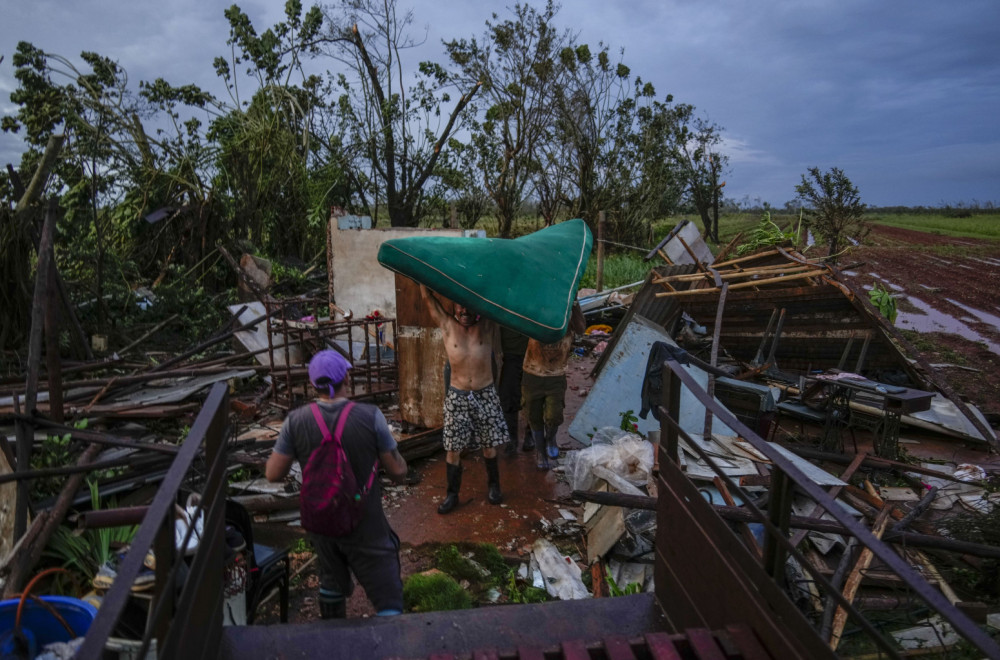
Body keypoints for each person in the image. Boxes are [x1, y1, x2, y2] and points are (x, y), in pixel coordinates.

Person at [265, 349, 408, 619]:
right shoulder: (370, 416)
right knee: (387, 592)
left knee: (330, 577)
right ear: (347, 378)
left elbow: (273, 474)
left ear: (312, 384)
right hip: (365, 523)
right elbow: (398, 471)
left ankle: (333, 637)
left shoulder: (295, 421)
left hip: (322, 524)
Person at [420, 284, 507, 514]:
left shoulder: (487, 325)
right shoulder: (447, 325)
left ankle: (494, 487)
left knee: (489, 446)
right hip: (457, 396)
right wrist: (420, 276)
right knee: (453, 448)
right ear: (454, 307)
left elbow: (501, 299)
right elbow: (427, 296)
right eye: (461, 307)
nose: (465, 312)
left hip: (485, 392)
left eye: (470, 308)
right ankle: (452, 495)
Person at [522, 303, 586, 470]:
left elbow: (581, 329)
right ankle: (540, 452)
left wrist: (575, 305)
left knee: (554, 415)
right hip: (532, 372)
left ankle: (551, 439)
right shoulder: (537, 308)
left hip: (556, 374)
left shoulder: (568, 312)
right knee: (534, 415)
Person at [498, 326, 533, 456]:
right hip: (511, 355)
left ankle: (531, 434)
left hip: (534, 354)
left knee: (533, 399)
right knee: (508, 398)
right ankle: (512, 439)